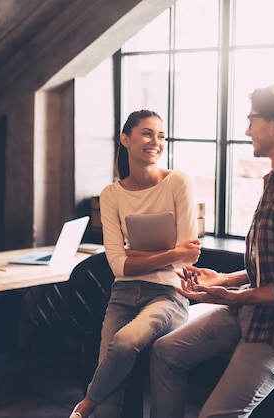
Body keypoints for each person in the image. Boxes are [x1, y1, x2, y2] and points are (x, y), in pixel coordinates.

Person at [149, 81, 274, 418]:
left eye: (253, 120)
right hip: (253, 312)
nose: (246, 129)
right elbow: (271, 267)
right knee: (165, 352)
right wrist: (225, 279)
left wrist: (236, 297)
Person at [69, 109, 202, 418]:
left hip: (169, 294)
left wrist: (136, 254)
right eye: (147, 133)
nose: (155, 141)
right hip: (122, 295)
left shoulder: (179, 182)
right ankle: (97, 407)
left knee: (126, 342)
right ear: (125, 139)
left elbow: (189, 255)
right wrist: (169, 253)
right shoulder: (111, 194)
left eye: (161, 135)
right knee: (110, 401)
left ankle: (84, 405)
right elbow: (118, 266)